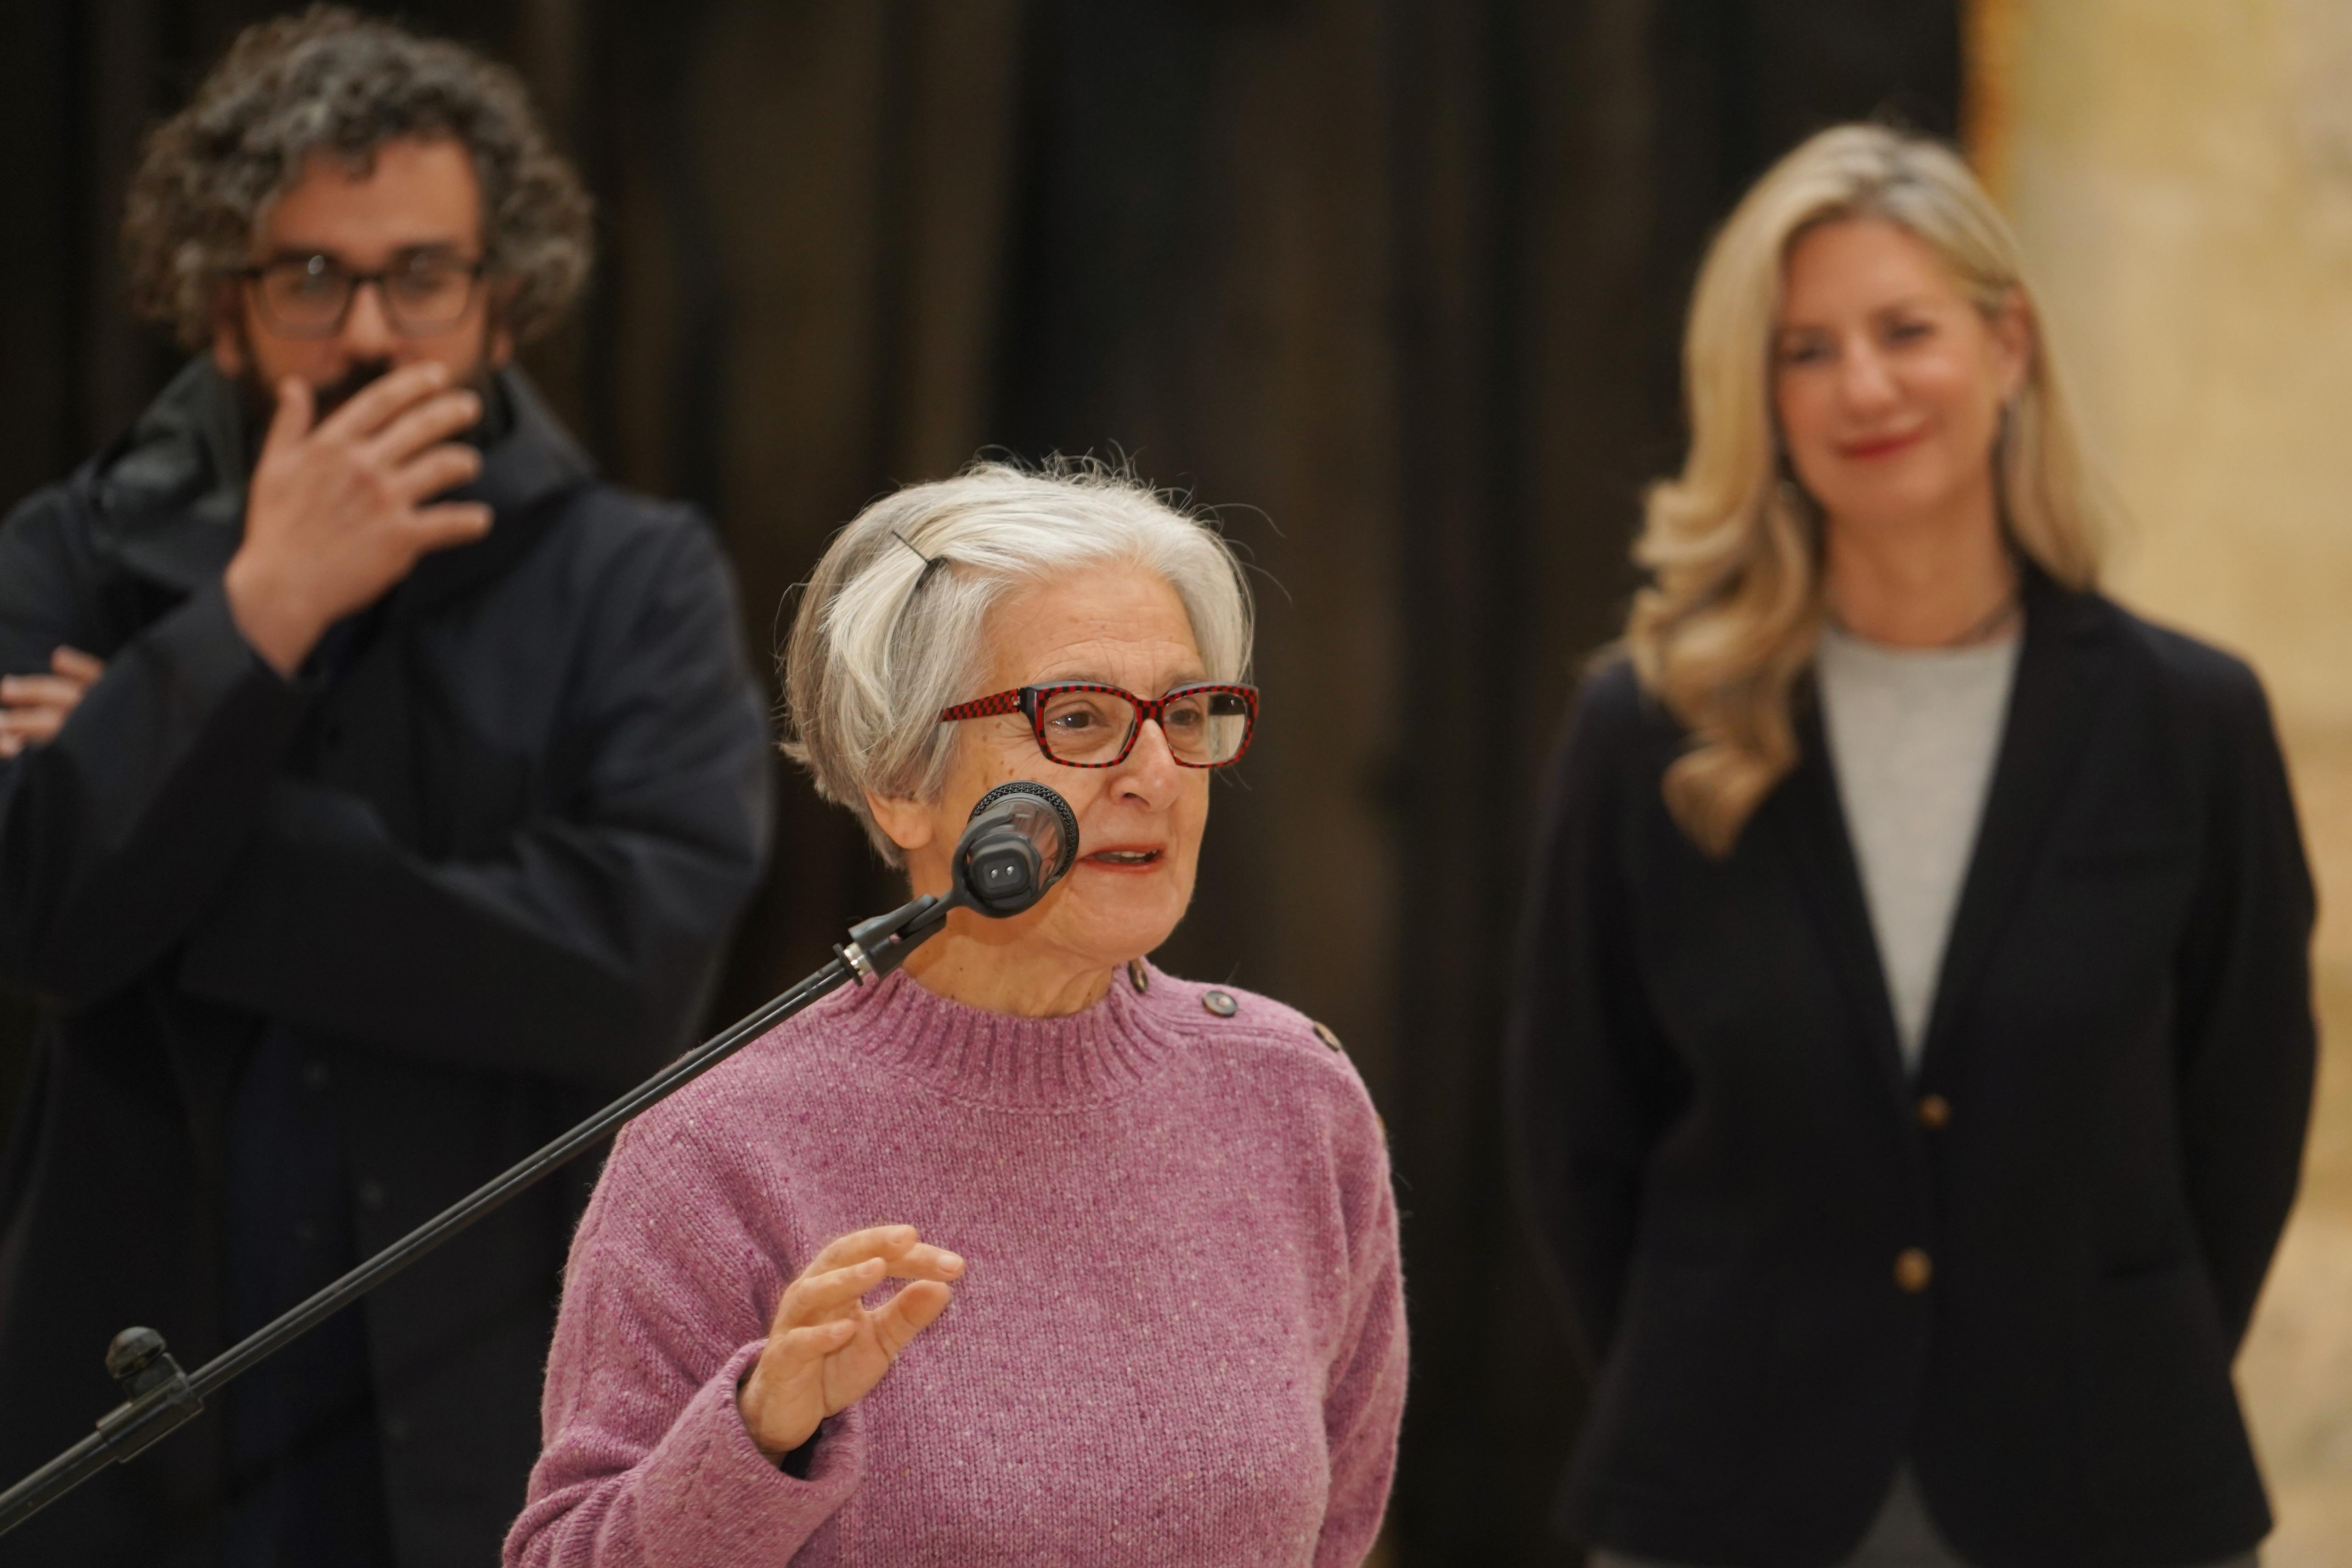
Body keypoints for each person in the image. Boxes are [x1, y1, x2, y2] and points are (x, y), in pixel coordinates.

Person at [0, 11, 772, 1567]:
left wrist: (178, 800)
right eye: (310, 276)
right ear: (223, 305)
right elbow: (47, 917)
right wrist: (259, 614)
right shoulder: (68, 554)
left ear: (501, 301)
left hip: (494, 1400)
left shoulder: (638, 582)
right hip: (124, 1409)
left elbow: (626, 973)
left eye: (422, 275)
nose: (369, 330)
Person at [1508, 124, 2313, 1568]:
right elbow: (1576, 1127)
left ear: (2008, 347)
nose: (1863, 386)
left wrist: (2129, 1359)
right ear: (1759, 397)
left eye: (1905, 330)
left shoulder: (2192, 721)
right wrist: (1714, 1382)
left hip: (2112, 1490)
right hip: (1730, 1494)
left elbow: (2244, 1115)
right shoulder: (1647, 731)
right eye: (1806, 350)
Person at [503, 462, 1407, 1567]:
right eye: (1078, 718)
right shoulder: (715, 1149)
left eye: (1183, 714)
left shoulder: (1293, 1098)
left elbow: (1339, 1533)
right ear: (901, 781)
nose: (1157, 776)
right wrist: (757, 1437)